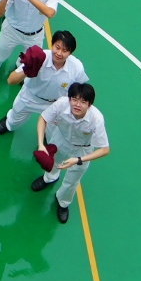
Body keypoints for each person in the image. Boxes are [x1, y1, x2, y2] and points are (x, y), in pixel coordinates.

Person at [31, 83, 108, 224]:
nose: (77, 104)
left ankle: (63, 202)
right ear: (69, 99)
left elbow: (104, 149)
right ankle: (49, 178)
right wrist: (41, 144)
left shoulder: (96, 119)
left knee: (72, 181)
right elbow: (43, 118)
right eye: (74, 99)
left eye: (83, 102)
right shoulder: (61, 104)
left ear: (90, 104)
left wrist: (78, 159)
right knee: (53, 163)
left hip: (82, 150)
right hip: (60, 139)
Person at [0, 29, 84, 135]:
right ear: (52, 44)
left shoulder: (77, 68)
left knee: (53, 130)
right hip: (29, 97)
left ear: (70, 53)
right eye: (57, 47)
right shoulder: (38, 57)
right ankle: (9, 123)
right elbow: (10, 80)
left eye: (65, 50)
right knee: (14, 121)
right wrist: (27, 70)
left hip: (55, 104)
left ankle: (48, 138)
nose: (59, 53)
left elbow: (79, 91)